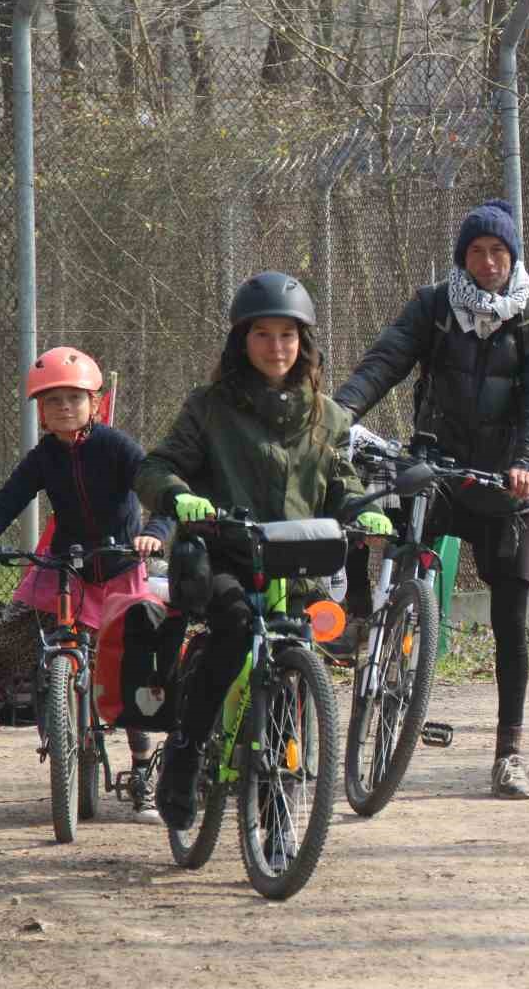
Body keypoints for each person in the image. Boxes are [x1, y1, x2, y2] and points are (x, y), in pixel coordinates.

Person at [136, 271, 390, 831]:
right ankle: (184, 754)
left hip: (296, 565)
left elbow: (340, 482)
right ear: (241, 340)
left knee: (295, 660)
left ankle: (279, 813)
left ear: (304, 342)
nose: (276, 347)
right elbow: (157, 465)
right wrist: (178, 496)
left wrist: (362, 509)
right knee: (231, 627)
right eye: (263, 334)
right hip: (227, 557)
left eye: (287, 335)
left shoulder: (327, 415)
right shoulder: (209, 407)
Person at [333, 198, 529, 800]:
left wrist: (527, 461)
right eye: (476, 252)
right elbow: (384, 361)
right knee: (371, 518)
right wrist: (337, 414)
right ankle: (368, 623)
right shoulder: (434, 306)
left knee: (510, 620)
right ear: (462, 258)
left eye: (498, 251)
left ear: (513, 255)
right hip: (435, 468)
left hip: (505, 482)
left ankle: (509, 754)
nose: (487, 262)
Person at [0, 347, 168, 823]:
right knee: (8, 636)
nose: (64, 408)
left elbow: (160, 491)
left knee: (133, 664)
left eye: (74, 398)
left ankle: (141, 772)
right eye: (52, 401)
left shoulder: (117, 447)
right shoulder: (43, 457)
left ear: (95, 402)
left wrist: (154, 532)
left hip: (118, 564)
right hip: (64, 566)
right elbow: (7, 500)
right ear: (40, 413)